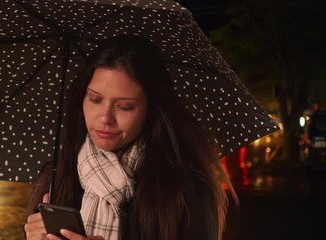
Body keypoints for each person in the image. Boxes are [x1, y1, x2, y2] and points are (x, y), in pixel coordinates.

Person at [24, 35, 234, 240]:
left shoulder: (186, 189)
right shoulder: (56, 177)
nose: (105, 117)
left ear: (151, 110)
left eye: (125, 106)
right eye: (95, 99)